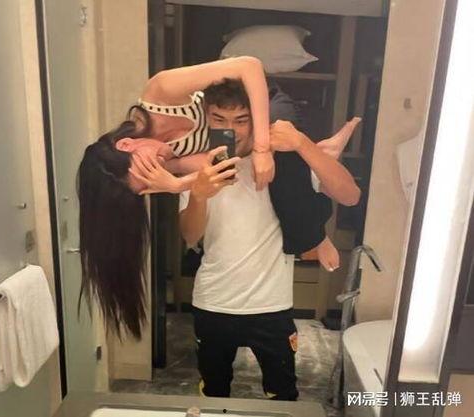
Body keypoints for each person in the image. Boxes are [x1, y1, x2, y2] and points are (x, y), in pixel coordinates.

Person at [77, 58, 360, 339]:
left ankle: (316, 213)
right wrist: (176, 184)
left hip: (258, 100)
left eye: (151, 169)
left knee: (277, 155)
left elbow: (249, 66)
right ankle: (322, 158)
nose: (159, 170)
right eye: (148, 184)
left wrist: (263, 149)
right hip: (233, 137)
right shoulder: (163, 157)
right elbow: (220, 167)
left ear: (126, 144)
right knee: (265, 171)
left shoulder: (160, 92)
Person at [179, 85, 360, 400]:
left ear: (258, 120)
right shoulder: (200, 169)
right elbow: (190, 236)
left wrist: (301, 143)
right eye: (219, 119)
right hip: (214, 301)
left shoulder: (286, 166)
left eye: (241, 120)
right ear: (206, 119)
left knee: (283, 395)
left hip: (271, 305)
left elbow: (350, 195)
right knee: (213, 392)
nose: (231, 130)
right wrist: (199, 194)